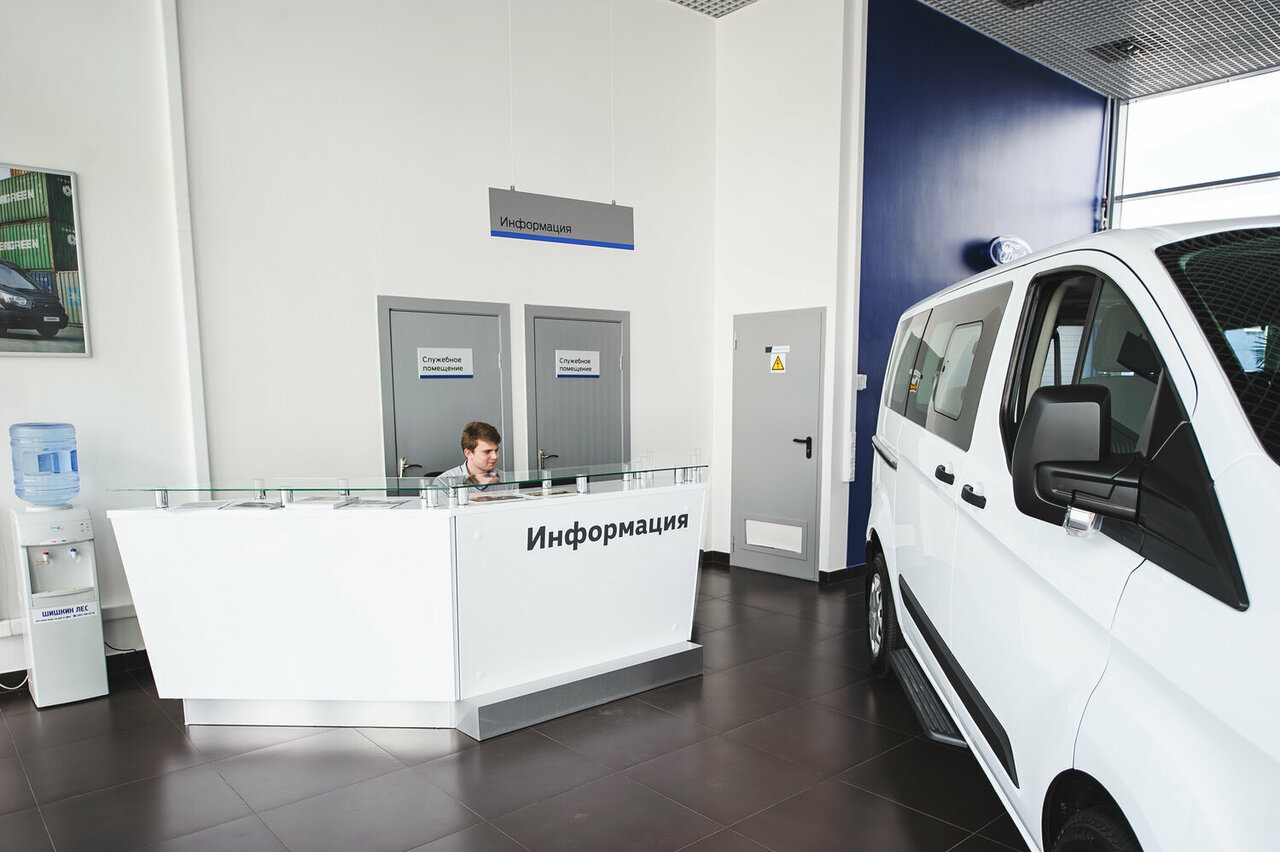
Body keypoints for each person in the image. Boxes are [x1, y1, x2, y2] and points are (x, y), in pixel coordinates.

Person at [438, 421, 508, 490]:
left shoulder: (506, 479)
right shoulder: (443, 482)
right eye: (487, 451)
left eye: (496, 450)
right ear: (468, 454)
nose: (495, 456)